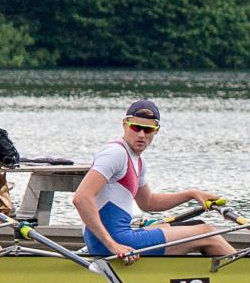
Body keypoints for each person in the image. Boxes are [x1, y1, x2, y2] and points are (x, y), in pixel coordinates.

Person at [73, 100, 235, 263]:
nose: (141, 134)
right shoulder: (115, 153)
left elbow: (149, 202)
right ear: (124, 124)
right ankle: (248, 273)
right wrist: (113, 245)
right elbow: (81, 198)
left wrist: (192, 194)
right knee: (206, 232)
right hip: (113, 243)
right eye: (136, 127)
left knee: (196, 223)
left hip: (116, 238)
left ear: (156, 130)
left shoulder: (138, 161)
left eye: (148, 129)